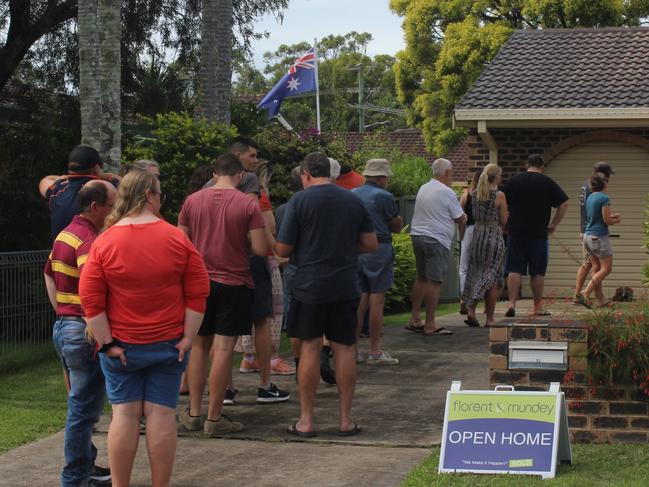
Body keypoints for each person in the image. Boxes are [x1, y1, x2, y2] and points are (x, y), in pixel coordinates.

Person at [79, 171, 209, 487]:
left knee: (123, 416)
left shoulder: (104, 242)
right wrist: (188, 338)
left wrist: (107, 343)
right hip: (168, 344)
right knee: (162, 416)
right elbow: (198, 291)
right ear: (150, 195)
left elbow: (90, 299)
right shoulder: (177, 239)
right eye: (161, 195)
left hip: (121, 346)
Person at [178, 154, 285, 436]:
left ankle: (193, 412)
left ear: (214, 173)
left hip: (200, 283)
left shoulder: (191, 202)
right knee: (224, 349)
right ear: (240, 176)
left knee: (199, 347)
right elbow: (262, 249)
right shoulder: (246, 204)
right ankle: (214, 418)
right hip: (234, 282)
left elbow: (181, 243)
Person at [276, 151, 377, 437]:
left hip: (309, 285)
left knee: (309, 348)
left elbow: (282, 249)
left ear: (306, 174)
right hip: (345, 284)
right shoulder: (352, 199)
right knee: (344, 348)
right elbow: (370, 243)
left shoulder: (299, 201)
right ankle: (345, 420)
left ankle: (306, 420)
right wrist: (344, 248)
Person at [44, 180, 116, 487]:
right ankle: (74, 476)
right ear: (96, 207)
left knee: (81, 406)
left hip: (65, 325)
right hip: (81, 329)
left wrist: (63, 310)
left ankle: (85, 466)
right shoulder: (88, 239)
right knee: (83, 411)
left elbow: (48, 274)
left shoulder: (66, 233)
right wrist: (93, 327)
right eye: (112, 206)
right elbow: (92, 290)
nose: (116, 212)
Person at [503, 154, 569, 317]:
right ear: (542, 166)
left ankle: (512, 304)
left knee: (514, 268)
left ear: (526, 165)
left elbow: (501, 201)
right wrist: (553, 224)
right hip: (538, 234)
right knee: (537, 271)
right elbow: (564, 203)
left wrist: (504, 223)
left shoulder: (514, 180)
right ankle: (537, 307)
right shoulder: (547, 182)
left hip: (516, 232)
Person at [406, 158, 466, 335]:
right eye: (452, 172)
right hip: (435, 239)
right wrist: (464, 219)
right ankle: (430, 323)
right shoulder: (446, 192)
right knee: (434, 281)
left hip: (417, 235)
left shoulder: (424, 187)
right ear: (447, 173)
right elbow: (458, 216)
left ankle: (415, 318)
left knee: (422, 278)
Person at [352, 158, 403, 365]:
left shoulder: (352, 194)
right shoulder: (384, 196)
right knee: (376, 299)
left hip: (355, 249)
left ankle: (353, 349)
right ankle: (375, 350)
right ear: (381, 177)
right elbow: (396, 225)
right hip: (379, 248)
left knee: (359, 299)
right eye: (387, 177)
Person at [39, 144, 120, 240]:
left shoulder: (58, 190)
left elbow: (44, 180)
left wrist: (63, 178)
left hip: (62, 252)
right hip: (92, 251)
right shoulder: (106, 189)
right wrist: (104, 176)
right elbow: (125, 183)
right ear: (97, 168)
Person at [461, 164, 508, 328]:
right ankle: (489, 318)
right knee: (492, 275)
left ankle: (471, 309)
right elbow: (504, 221)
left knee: (475, 272)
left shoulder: (473, 194)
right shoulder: (499, 195)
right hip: (492, 236)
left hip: (477, 235)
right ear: (495, 177)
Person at [576, 172, 622, 308]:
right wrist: (617, 220)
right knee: (606, 269)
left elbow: (595, 216)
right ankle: (585, 292)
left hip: (587, 236)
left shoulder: (590, 198)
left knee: (596, 267)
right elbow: (606, 220)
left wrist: (611, 216)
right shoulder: (604, 198)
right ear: (604, 184)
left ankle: (600, 300)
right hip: (598, 237)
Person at [458, 172, 479, 315]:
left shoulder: (467, 196)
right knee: (482, 268)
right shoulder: (492, 196)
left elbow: (460, 216)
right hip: (486, 231)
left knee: (464, 267)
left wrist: (461, 235)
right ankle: (476, 299)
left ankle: (464, 298)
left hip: (470, 231)